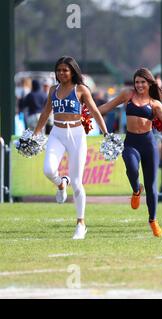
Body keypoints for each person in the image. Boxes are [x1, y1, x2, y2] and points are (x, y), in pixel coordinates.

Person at [99, 68, 162, 237]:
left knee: (152, 185)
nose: (139, 85)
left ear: (149, 83)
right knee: (132, 169)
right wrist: (87, 113)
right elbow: (107, 106)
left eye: (143, 82)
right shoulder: (127, 95)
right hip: (131, 142)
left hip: (148, 144)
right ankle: (136, 189)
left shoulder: (155, 104)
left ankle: (153, 221)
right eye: (137, 82)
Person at [33, 56, 109, 240]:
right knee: (48, 169)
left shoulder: (81, 89)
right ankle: (60, 183)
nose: (61, 73)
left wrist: (106, 133)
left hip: (76, 135)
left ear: (73, 71)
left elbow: (95, 111)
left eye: (65, 70)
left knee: (77, 182)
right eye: (58, 70)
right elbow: (45, 113)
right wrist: (35, 133)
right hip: (57, 133)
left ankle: (80, 223)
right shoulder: (53, 89)